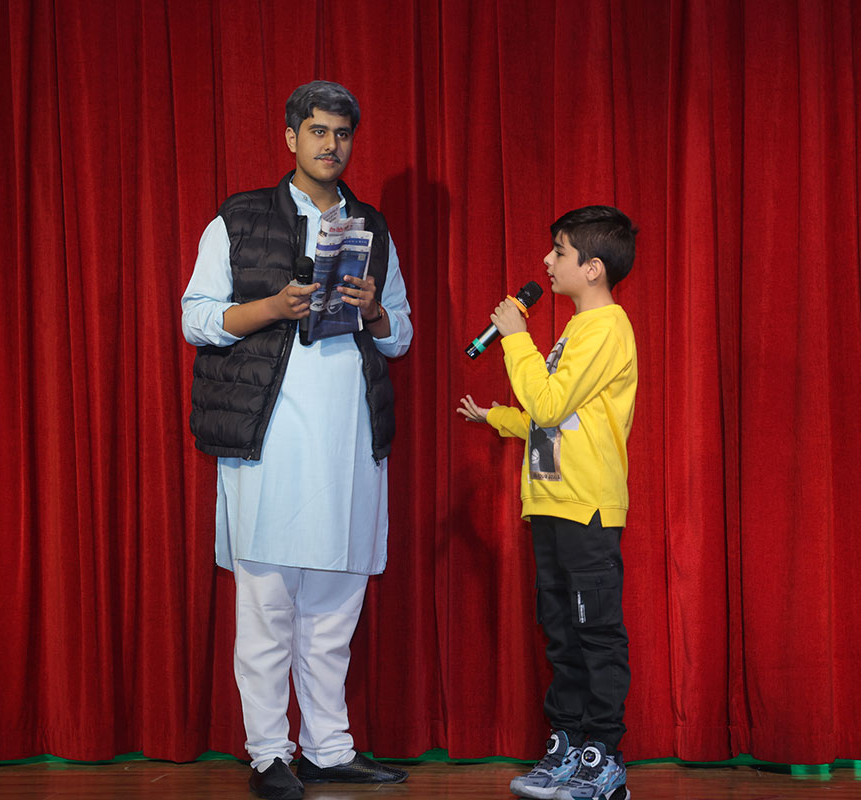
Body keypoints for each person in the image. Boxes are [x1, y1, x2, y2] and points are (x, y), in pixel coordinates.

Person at [181, 80, 412, 800]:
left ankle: (328, 748)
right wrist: (271, 307)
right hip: (270, 438)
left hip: (350, 439)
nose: (330, 145)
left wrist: (374, 312)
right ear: (290, 137)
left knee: (335, 608)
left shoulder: (371, 227)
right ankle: (267, 753)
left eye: (341, 134)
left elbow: (401, 335)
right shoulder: (239, 218)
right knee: (268, 607)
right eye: (317, 131)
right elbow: (196, 318)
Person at [457, 206, 638, 800]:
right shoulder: (576, 330)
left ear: (592, 268)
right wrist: (499, 418)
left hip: (586, 506)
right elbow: (551, 418)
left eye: (558, 251)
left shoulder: (606, 327)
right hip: (551, 502)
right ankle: (566, 744)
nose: (546, 261)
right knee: (560, 633)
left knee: (595, 633)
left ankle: (602, 757)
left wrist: (515, 337)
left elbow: (551, 403)